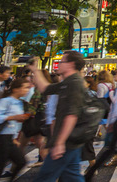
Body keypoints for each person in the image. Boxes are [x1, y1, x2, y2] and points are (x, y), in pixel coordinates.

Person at [29, 51, 87, 182]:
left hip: (66, 140)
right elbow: (45, 88)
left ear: (71, 64)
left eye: (61, 61)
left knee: (45, 176)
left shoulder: (74, 83)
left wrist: (59, 142)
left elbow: (72, 115)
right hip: (70, 140)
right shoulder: (68, 82)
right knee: (72, 176)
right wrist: (35, 70)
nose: (58, 64)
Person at [0, 78, 31, 182]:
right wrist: (12, 117)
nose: (27, 90)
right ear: (15, 89)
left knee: (21, 162)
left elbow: (14, 124)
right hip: (0, 138)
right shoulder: (5, 101)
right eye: (25, 87)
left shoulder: (19, 102)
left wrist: (14, 138)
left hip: (9, 138)